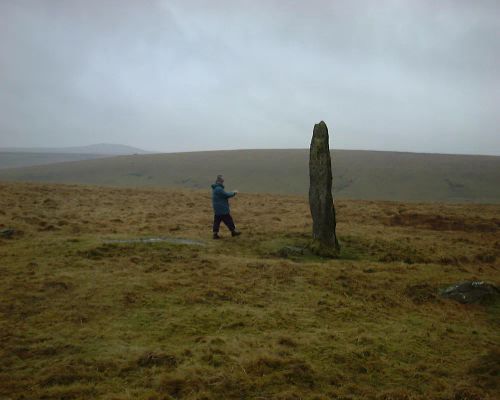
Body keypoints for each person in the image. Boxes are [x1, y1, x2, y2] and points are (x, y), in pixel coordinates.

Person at [211, 175, 241, 239]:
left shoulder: (216, 188)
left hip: (217, 209)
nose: (222, 182)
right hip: (222, 209)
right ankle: (233, 232)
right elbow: (226, 195)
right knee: (229, 220)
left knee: (217, 221)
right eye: (222, 181)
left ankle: (215, 234)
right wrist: (234, 193)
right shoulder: (219, 189)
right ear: (219, 181)